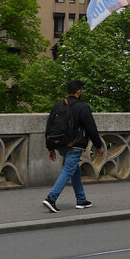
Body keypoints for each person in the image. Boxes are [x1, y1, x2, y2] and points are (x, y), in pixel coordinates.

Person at [43, 80, 105, 213]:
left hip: (60, 144)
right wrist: (98, 145)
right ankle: (51, 198)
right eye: (82, 89)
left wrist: (50, 148)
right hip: (75, 145)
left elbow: (49, 127)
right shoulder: (82, 107)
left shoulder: (58, 105)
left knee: (74, 170)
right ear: (78, 91)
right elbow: (91, 128)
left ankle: (81, 200)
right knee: (67, 171)